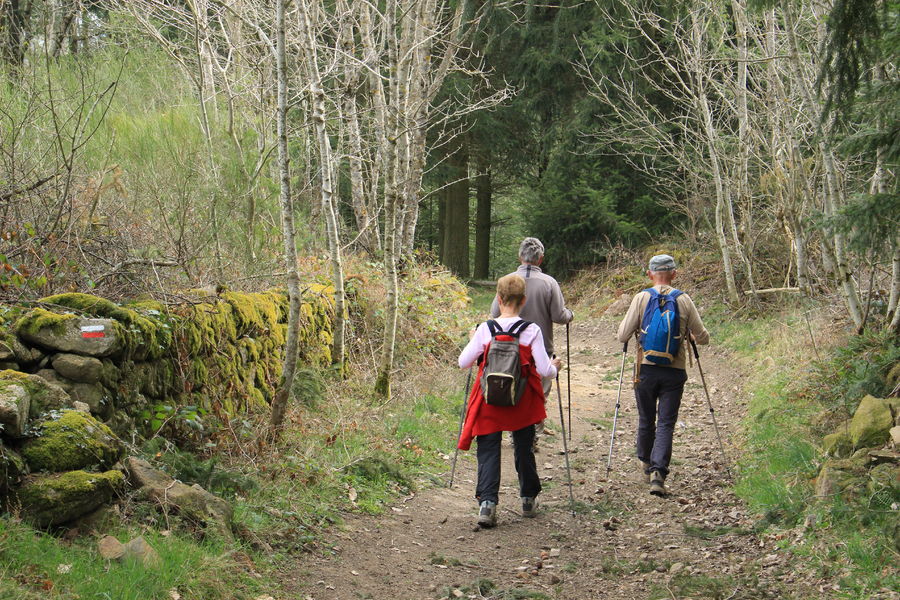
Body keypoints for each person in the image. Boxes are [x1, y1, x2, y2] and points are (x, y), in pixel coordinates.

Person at [458, 274, 562, 527]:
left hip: (489, 399)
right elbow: (545, 371)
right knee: (524, 447)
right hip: (521, 400)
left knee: (489, 447)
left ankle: (487, 505)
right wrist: (556, 366)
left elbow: (463, 363)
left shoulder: (485, 329)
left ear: (498, 298)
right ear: (523, 300)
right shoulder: (531, 330)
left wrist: (476, 340)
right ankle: (527, 499)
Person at [616, 254, 709, 496]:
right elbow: (703, 336)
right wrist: (690, 335)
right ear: (674, 274)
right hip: (674, 371)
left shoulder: (641, 297)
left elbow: (622, 335)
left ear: (650, 274)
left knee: (647, 419)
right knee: (666, 422)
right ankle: (659, 472)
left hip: (645, 369)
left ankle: (646, 462)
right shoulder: (684, 299)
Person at [490, 238, 573, 446]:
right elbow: (558, 316)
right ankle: (532, 433)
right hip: (541, 347)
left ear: (519, 256)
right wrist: (570, 315)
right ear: (541, 259)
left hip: (508, 346)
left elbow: (494, 312)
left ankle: (513, 429)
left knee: (510, 385)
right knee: (537, 392)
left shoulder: (507, 281)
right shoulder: (549, 283)